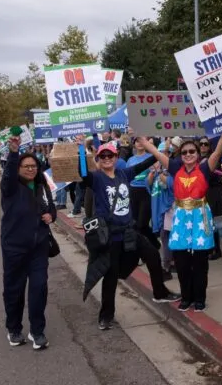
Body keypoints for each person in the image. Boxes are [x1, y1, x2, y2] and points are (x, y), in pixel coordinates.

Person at [79, 138, 180, 331]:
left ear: (117, 157)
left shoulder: (124, 173)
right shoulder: (97, 178)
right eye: (103, 156)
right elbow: (82, 173)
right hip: (111, 236)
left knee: (152, 255)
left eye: (110, 155)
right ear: (99, 159)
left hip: (129, 232)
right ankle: (106, 316)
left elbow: (145, 163)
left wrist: (161, 150)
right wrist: (80, 149)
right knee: (111, 275)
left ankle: (159, 292)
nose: (107, 158)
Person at [146, 135, 222, 312]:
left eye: (192, 151)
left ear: (198, 153)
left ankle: (199, 298)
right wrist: (142, 139)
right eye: (184, 152)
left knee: (200, 261)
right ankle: (186, 297)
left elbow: (218, 150)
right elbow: (155, 152)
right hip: (181, 217)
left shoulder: (205, 168)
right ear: (180, 154)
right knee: (181, 260)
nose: (188, 154)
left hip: (199, 217)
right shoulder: (175, 167)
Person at [0, 135, 55, 350]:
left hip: (39, 247)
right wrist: (14, 153)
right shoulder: (11, 187)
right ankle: (14, 329)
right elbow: (8, 175)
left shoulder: (42, 186)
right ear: (19, 168)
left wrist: (51, 216)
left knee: (39, 288)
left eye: (34, 166)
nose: (30, 169)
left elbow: (51, 208)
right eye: (26, 166)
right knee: (14, 289)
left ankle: (37, 331)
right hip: (14, 247)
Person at [198, 136, 222, 260]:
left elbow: (217, 175)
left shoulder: (213, 159)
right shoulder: (195, 158)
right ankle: (208, 247)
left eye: (206, 144)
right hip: (200, 193)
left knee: (212, 222)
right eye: (201, 144)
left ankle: (217, 250)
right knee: (203, 222)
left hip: (212, 193)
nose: (203, 146)